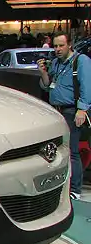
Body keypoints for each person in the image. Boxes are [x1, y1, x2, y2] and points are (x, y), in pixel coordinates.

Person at [38, 32, 91, 199]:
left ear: (70, 45)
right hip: (56, 111)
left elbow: (87, 86)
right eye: (55, 46)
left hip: (72, 111)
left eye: (61, 45)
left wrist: (82, 110)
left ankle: (75, 189)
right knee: (56, 151)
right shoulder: (55, 63)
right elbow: (47, 86)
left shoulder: (81, 61)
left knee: (72, 151)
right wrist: (43, 73)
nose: (58, 49)